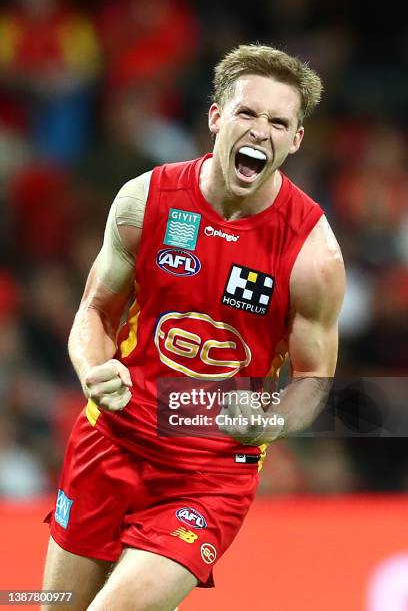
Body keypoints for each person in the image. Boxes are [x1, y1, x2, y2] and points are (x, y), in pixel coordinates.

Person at [42, 43, 345, 610]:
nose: (260, 131)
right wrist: (92, 367)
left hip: (208, 471)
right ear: (215, 118)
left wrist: (272, 420)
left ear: (296, 140)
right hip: (109, 442)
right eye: (247, 113)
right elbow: (95, 311)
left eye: (279, 122)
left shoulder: (313, 254)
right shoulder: (145, 200)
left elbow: (315, 381)